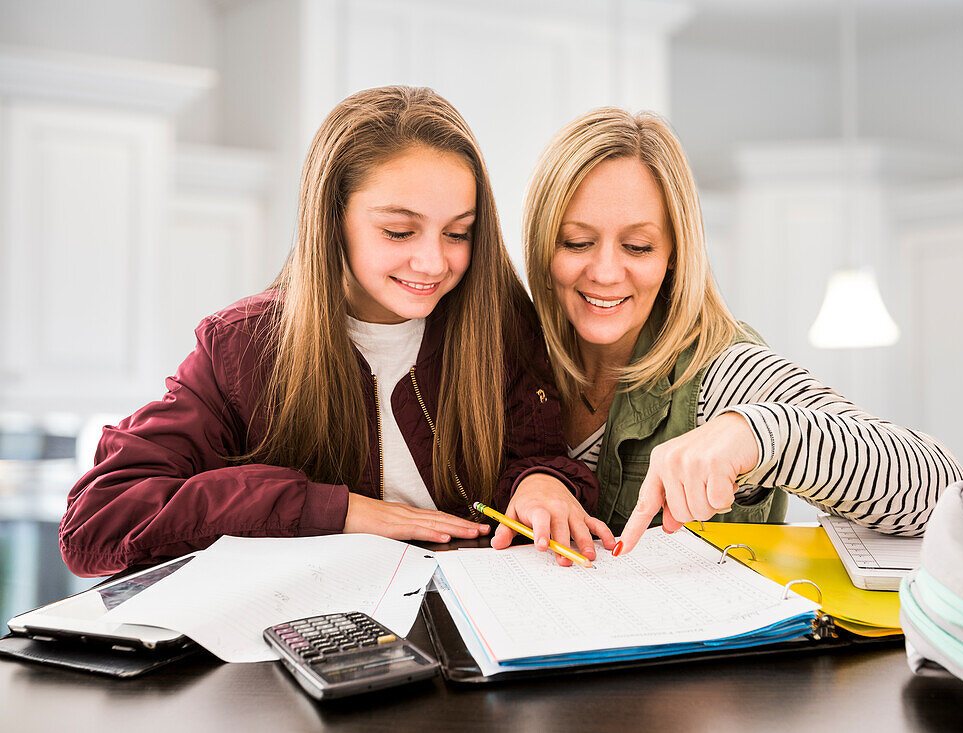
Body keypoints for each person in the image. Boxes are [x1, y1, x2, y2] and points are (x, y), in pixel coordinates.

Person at [60, 86, 613, 577]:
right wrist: (334, 511)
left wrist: (540, 484)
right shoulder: (241, 348)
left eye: (458, 233)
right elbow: (99, 520)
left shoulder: (499, 328)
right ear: (332, 220)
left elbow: (534, 455)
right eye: (399, 231)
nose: (432, 262)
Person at [513, 106, 963, 557]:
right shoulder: (507, 358)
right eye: (576, 242)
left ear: (674, 253)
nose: (607, 272)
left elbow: (943, 489)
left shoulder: (723, 371)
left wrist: (757, 433)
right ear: (541, 242)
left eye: (638, 246)